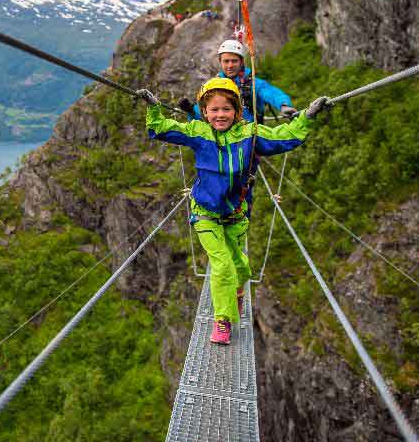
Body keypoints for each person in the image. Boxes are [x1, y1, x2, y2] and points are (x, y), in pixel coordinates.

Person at [137, 80, 330, 345]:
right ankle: (223, 321)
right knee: (223, 265)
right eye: (213, 110)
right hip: (205, 211)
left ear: (237, 111)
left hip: (235, 213)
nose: (219, 115)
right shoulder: (198, 132)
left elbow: (282, 137)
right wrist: (154, 109)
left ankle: (237, 294)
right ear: (204, 112)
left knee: (241, 268)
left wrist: (307, 117)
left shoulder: (250, 134)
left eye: (226, 109)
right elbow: (162, 129)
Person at [179, 39, 297, 123]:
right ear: (220, 62)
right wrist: (191, 111)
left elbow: (271, 93)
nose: (230, 65)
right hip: (226, 137)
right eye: (226, 61)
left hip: (251, 138)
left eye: (234, 61)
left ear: (241, 62)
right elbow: (208, 111)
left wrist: (283, 104)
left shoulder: (253, 83)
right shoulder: (214, 86)